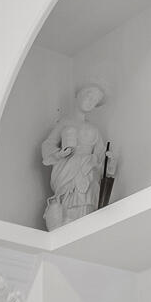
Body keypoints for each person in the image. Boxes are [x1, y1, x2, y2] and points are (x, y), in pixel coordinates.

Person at [42, 83, 108, 230]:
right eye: (88, 95)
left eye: (95, 100)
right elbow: (48, 144)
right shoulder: (64, 123)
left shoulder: (95, 130)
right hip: (67, 170)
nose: (90, 101)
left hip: (87, 171)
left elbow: (101, 155)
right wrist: (60, 153)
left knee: (86, 197)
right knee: (68, 198)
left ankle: (84, 225)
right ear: (78, 95)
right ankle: (65, 223)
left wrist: (106, 161)